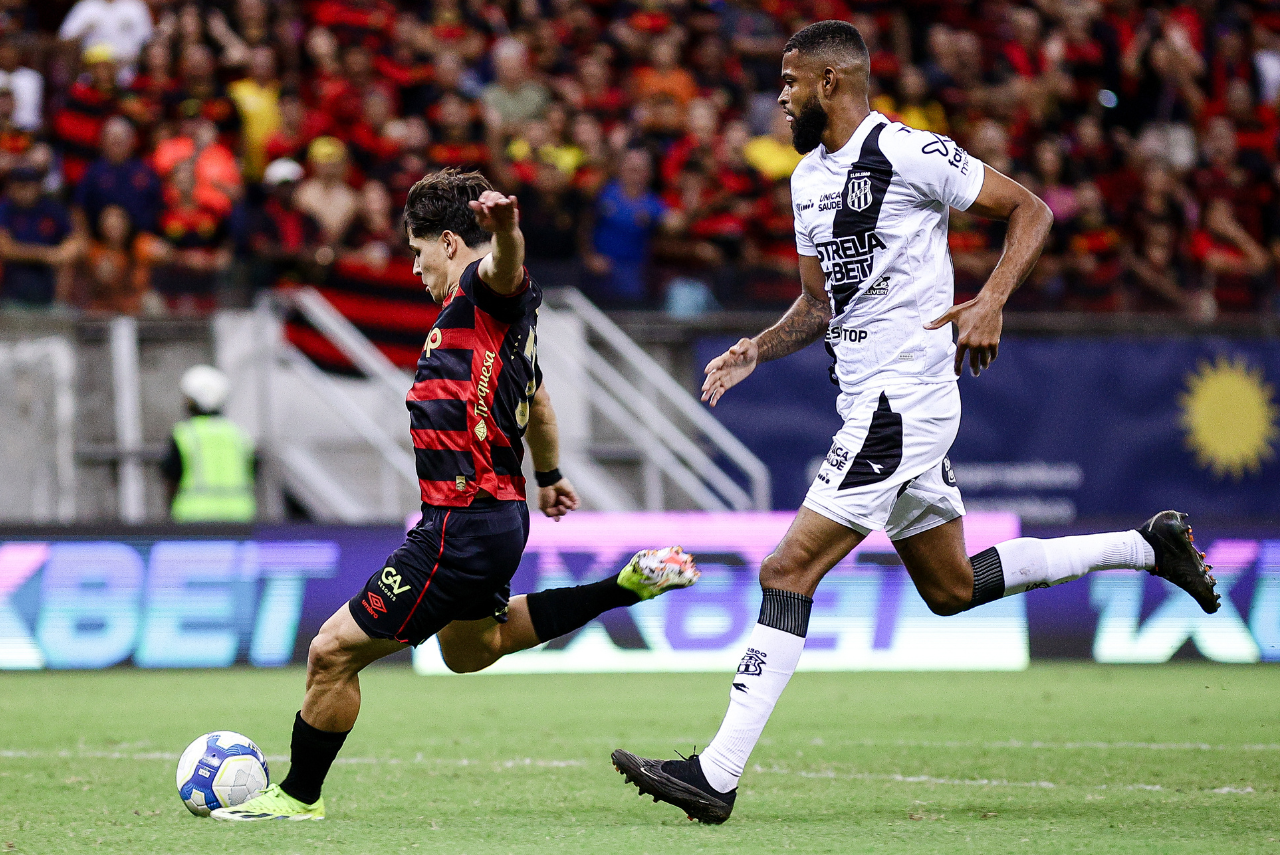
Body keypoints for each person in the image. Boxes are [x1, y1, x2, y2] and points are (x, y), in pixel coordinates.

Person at [611, 20, 1221, 825]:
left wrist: (991, 299)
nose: (780, 98)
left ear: (830, 82)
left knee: (786, 570)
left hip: (902, 401)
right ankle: (1148, 545)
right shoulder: (805, 181)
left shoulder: (910, 153)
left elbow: (1030, 211)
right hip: (869, 396)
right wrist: (757, 348)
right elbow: (817, 306)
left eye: (790, 83)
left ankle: (716, 773)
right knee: (951, 585)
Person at [211, 168, 699, 822]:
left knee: (331, 651)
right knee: (472, 650)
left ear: (448, 242)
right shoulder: (496, 330)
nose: (415, 270)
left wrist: (506, 232)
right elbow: (542, 403)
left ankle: (297, 795)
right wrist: (550, 476)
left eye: (417, 254)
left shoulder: (482, 291)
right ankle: (627, 586)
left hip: (461, 523)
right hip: (499, 517)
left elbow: (504, 265)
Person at [161, 365, 256, 522]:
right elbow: (252, 475)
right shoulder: (239, 435)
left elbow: (171, 479)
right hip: (239, 521)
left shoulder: (184, 435)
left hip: (194, 522)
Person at [0, 166, 81, 309]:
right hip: (14, 277)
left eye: (28, 185)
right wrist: (46, 255)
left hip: (48, 276)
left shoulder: (52, 209)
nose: (24, 191)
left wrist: (61, 254)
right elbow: (5, 249)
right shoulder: (5, 209)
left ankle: (59, 307)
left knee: (68, 264)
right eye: (19, 185)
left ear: (38, 186)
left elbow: (75, 243)